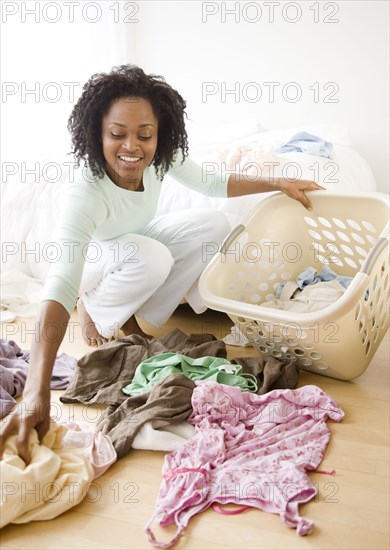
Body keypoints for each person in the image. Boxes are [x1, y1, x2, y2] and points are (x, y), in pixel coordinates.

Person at [0, 65, 324, 461]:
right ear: (97, 132)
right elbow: (61, 281)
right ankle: (97, 309)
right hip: (86, 262)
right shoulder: (84, 192)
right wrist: (36, 390)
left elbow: (211, 184)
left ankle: (133, 321)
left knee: (212, 224)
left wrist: (278, 182)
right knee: (151, 256)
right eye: (117, 134)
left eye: (144, 134)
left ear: (159, 133)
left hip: (128, 248)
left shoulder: (157, 159)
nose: (131, 147)